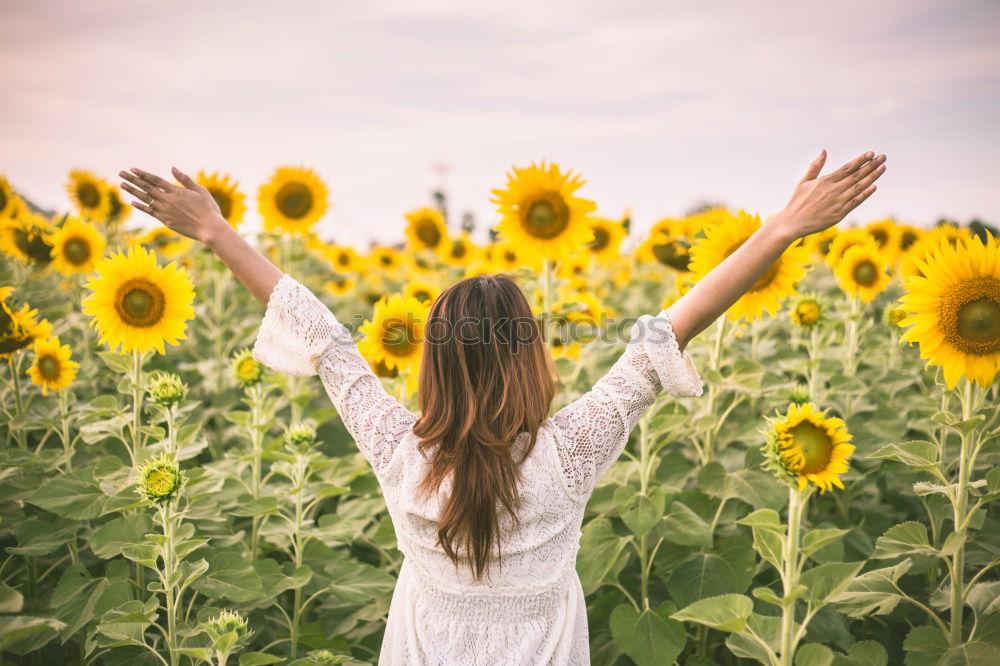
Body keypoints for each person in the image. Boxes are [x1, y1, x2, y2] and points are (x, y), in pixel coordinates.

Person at [118, 149, 885, 665]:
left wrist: (217, 232)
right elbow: (673, 323)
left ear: (434, 367)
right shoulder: (573, 451)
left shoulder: (397, 450)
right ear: (531, 361)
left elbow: (319, 334)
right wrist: (782, 229)